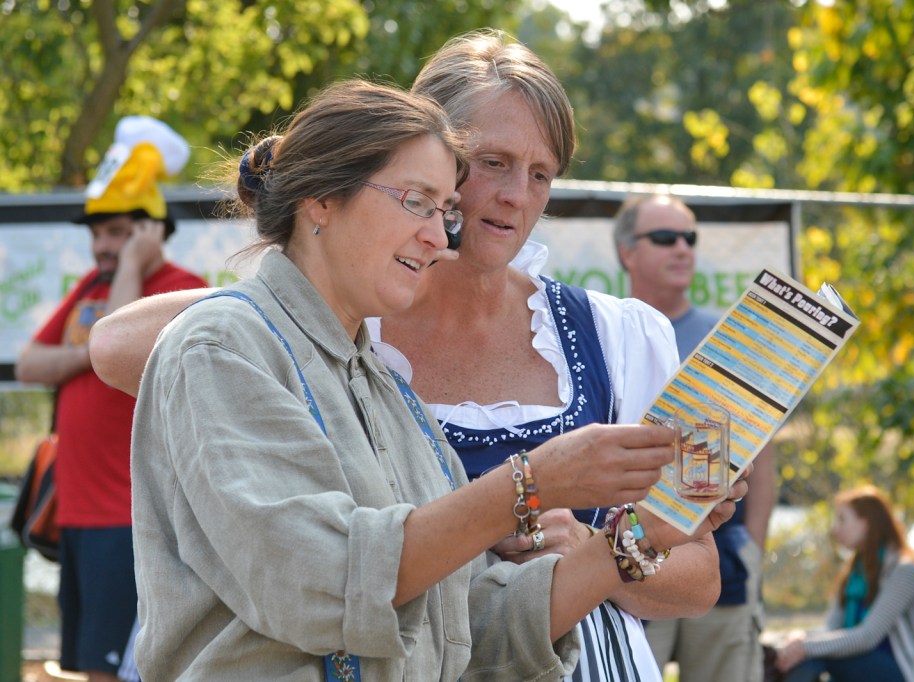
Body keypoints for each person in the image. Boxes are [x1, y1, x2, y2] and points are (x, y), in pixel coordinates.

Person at [89, 32, 728, 681]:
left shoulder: (387, 390)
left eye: (542, 174)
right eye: (421, 200)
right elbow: (325, 585)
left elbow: (464, 630)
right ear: (322, 200)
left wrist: (628, 539)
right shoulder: (235, 343)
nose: (441, 229)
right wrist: (530, 484)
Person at [13, 116, 207, 681]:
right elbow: (30, 363)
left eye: (119, 233)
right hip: (76, 511)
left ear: (152, 232)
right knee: (88, 670)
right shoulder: (88, 291)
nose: (102, 246)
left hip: (130, 516)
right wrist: (83, 352)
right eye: (98, 234)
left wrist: (126, 272)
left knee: (128, 670)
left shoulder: (181, 287)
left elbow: (118, 349)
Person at [614, 193, 778, 682]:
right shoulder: (605, 333)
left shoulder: (726, 339)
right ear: (627, 252)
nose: (682, 249)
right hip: (627, 551)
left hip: (722, 550)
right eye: (665, 238)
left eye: (690, 237)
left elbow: (763, 461)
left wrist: (753, 549)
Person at [774, 485, 914, 682]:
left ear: (867, 522)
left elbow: (867, 637)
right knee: (801, 656)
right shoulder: (853, 571)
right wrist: (798, 638)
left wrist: (806, 647)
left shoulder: (904, 570)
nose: (835, 529)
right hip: (864, 667)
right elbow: (832, 630)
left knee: (814, 656)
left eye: (842, 519)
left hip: (905, 672)